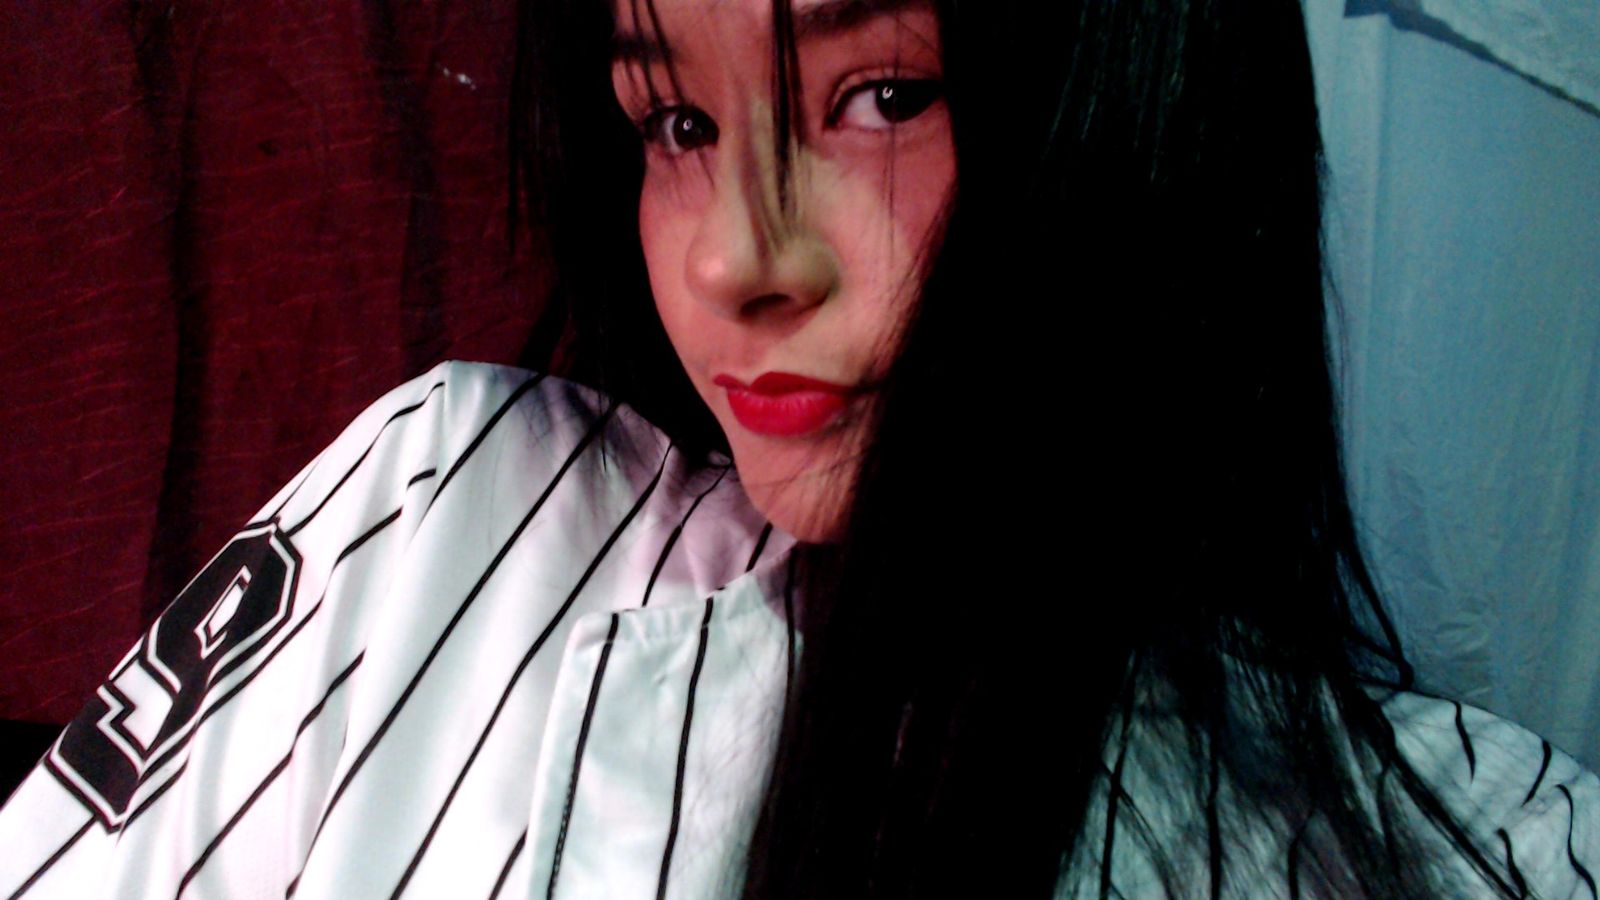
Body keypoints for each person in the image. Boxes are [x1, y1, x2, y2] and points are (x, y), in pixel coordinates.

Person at [1, 0, 1595, 897]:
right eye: (677, 125)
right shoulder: (441, 508)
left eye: (881, 96)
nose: (732, 260)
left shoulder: (1490, 840)